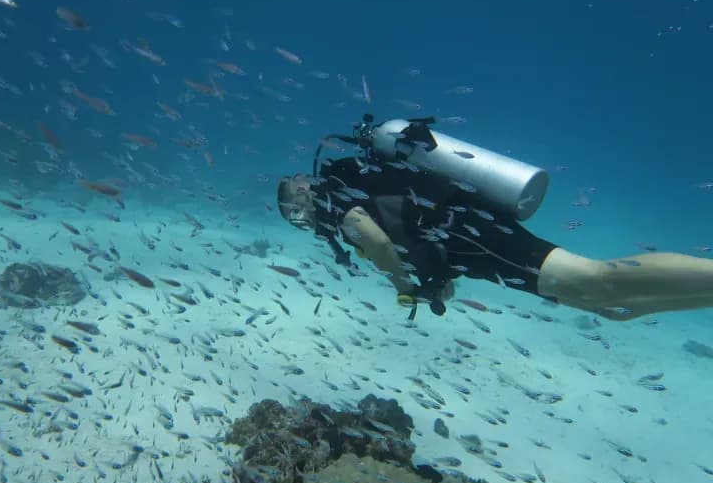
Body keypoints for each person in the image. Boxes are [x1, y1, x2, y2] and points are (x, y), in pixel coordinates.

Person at [277, 116, 713, 320]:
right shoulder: (354, 183)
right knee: (600, 303)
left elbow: (376, 240)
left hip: (469, 233)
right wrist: (432, 273)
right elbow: (402, 230)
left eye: (295, 211)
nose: (302, 220)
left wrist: (406, 288)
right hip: (466, 238)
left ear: (303, 192)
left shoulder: (335, 198)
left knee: (592, 279)